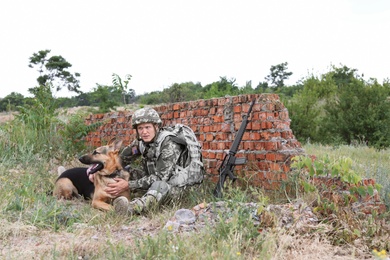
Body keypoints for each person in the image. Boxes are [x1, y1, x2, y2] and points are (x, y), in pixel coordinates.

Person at [104, 107, 204, 215]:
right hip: (154, 183)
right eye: (140, 128)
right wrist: (99, 172)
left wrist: (128, 185)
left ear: (156, 126)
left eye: (148, 127)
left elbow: (161, 178)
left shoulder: (169, 143)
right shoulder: (141, 142)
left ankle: (131, 209)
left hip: (177, 188)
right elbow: (120, 160)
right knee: (125, 172)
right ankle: (105, 196)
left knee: (159, 184)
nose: (144, 132)